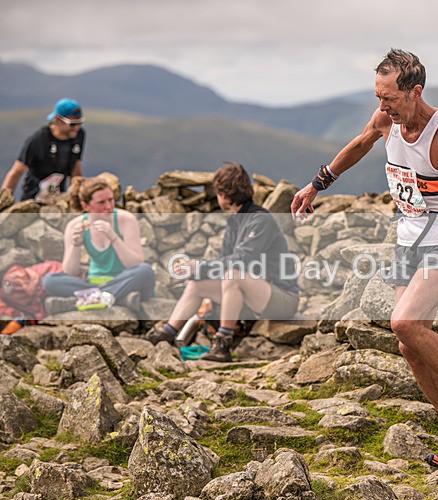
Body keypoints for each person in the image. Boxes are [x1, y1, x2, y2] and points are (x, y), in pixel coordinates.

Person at [291, 49, 438, 468]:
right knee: (410, 345)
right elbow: (358, 145)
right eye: (377, 96)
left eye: (389, 98)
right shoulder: (386, 120)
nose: (381, 106)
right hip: (407, 238)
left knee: (404, 322)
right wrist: (316, 185)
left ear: (415, 92)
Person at [146, 162, 300, 363]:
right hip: (252, 295)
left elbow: (242, 261)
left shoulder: (260, 220)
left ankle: (223, 344)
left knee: (233, 275)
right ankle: (167, 334)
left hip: (283, 299)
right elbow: (225, 265)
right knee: (196, 284)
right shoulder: (235, 221)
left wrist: (199, 266)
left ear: (224, 195)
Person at [43, 177, 155, 313]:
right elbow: (70, 272)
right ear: (85, 206)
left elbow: (135, 264)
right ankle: (116, 298)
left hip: (126, 280)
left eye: (111, 200)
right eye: (101, 202)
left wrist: (114, 238)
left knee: (145, 271)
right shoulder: (75, 226)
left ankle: (88, 298)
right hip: (96, 282)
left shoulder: (126, 220)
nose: (108, 206)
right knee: (49, 281)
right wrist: (76, 245)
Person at [1, 98, 86, 203]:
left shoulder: (79, 136)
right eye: (72, 124)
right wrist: (3, 202)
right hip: (33, 199)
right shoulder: (38, 140)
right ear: (58, 119)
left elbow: (76, 171)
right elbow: (16, 172)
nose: (77, 128)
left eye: (80, 123)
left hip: (59, 199)